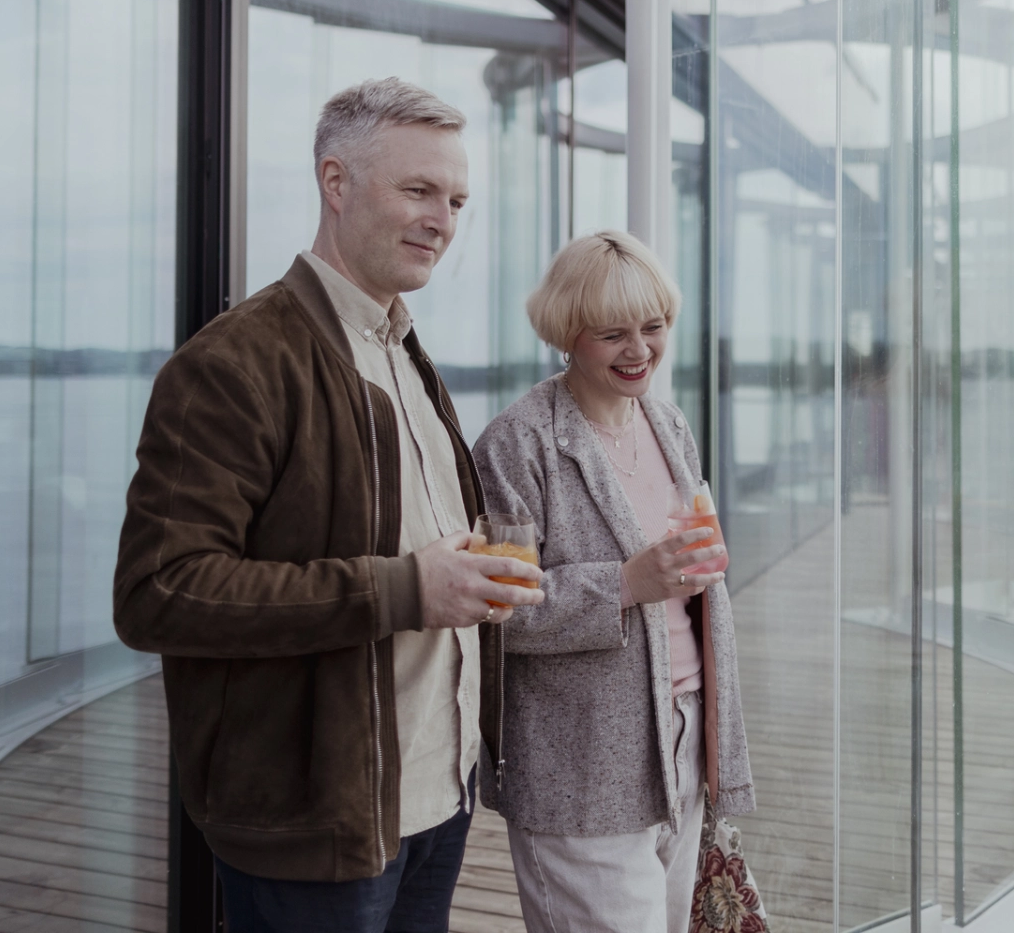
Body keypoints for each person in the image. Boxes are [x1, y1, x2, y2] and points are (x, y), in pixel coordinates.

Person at [113, 78, 544, 933]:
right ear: (336, 183)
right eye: (418, 190)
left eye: (456, 199)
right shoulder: (233, 364)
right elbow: (158, 591)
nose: (443, 220)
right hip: (316, 822)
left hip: (437, 794)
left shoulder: (403, 349)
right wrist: (405, 590)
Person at [472, 230, 755, 933]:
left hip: (683, 740)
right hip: (582, 767)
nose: (640, 351)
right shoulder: (517, 445)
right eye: (613, 334)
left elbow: (689, 577)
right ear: (568, 333)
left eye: (654, 328)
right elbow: (496, 610)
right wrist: (626, 583)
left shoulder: (668, 423)